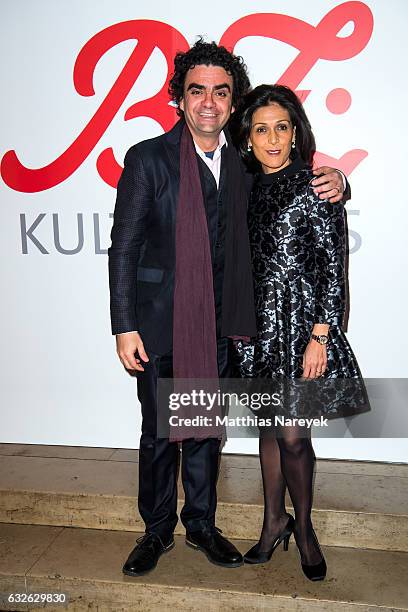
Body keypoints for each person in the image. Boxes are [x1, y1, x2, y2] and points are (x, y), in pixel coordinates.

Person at [108, 40, 346, 577]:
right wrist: (124, 325)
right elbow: (123, 246)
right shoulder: (148, 159)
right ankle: (155, 529)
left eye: (220, 91)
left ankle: (200, 523)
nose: (209, 102)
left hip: (225, 326)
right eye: (197, 91)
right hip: (160, 323)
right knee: (160, 431)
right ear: (180, 99)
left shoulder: (244, 162)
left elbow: (294, 180)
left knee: (204, 430)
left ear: (232, 102)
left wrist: (340, 180)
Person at [231, 84, 368, 581]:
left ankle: (304, 529)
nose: (272, 139)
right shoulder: (242, 187)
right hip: (254, 330)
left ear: (295, 132)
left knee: (293, 436)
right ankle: (273, 522)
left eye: (281, 128)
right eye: (261, 129)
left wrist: (321, 336)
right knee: (268, 430)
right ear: (247, 137)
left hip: (300, 329)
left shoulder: (316, 186)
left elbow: (335, 268)